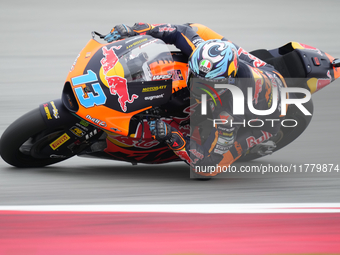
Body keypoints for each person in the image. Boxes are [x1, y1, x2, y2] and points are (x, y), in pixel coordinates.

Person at [104, 23, 286, 177]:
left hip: (266, 119)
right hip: (258, 69)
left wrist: (172, 135)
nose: (196, 85)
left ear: (227, 82)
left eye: (206, 83)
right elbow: (178, 31)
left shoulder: (230, 113)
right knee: (194, 27)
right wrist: (137, 31)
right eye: (195, 76)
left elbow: (207, 166)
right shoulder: (200, 54)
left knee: (210, 163)